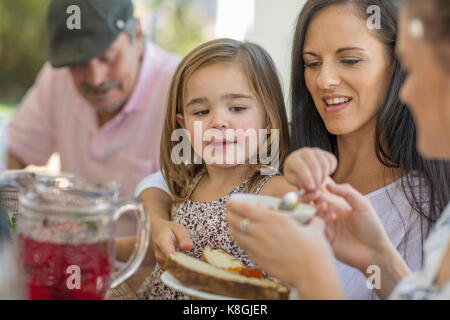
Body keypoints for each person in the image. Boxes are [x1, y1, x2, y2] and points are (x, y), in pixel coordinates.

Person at [135, 0, 450, 299]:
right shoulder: (278, 145)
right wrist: (158, 222)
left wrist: (342, 267)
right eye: (312, 63)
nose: (323, 80)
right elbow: (171, 179)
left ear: (397, 64)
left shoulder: (420, 203)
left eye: (350, 59)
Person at [127, 38, 296, 299]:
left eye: (237, 108)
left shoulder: (273, 191)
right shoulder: (187, 183)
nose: (218, 121)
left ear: (268, 117)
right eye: (201, 111)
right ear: (183, 125)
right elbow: (156, 240)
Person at [7, 0, 180, 236]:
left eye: (107, 58)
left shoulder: (180, 89)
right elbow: (14, 153)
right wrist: (17, 222)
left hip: (150, 268)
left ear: (137, 36)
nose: (96, 79)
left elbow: (190, 226)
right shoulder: (57, 78)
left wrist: (98, 253)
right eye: (78, 65)